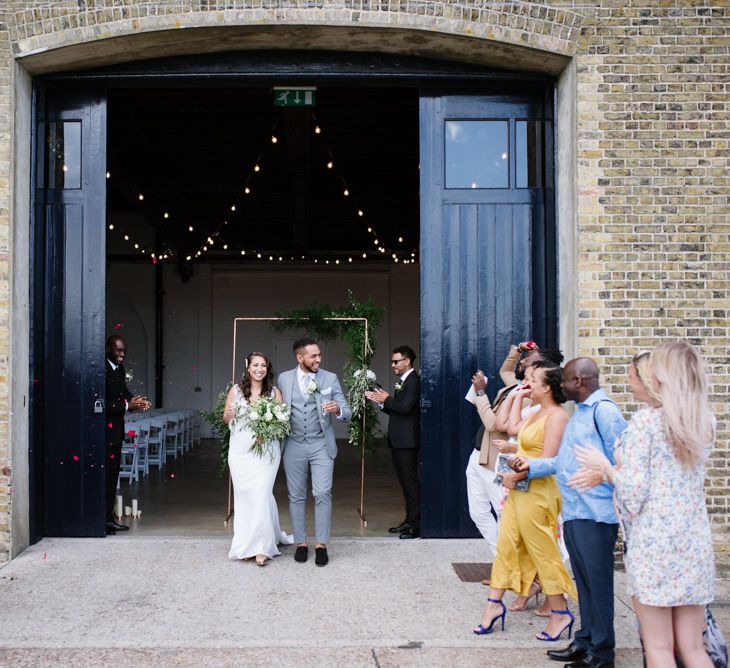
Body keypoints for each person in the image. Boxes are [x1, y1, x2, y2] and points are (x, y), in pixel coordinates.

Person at [575, 342, 716, 668]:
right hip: (694, 541)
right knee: (693, 648)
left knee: (659, 647)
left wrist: (605, 467)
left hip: (654, 545)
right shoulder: (705, 421)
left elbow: (634, 493)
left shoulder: (645, 424)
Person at [515, 357, 628, 667]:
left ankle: (602, 654)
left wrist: (605, 474)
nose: (560, 385)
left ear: (579, 381)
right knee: (584, 583)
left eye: (564, 380)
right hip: (575, 511)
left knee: (599, 584)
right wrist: (531, 465)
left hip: (596, 513)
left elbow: (626, 460)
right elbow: (562, 463)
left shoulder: (605, 412)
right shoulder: (579, 412)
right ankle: (585, 640)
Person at [474, 364, 577, 641]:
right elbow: (514, 428)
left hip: (539, 492)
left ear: (547, 388)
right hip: (518, 489)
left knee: (543, 552)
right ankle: (493, 606)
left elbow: (548, 460)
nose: (526, 381)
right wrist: (518, 395)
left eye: (532, 380)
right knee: (507, 547)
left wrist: (516, 474)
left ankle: (560, 612)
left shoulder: (557, 416)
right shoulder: (538, 412)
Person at [278, 338, 351, 567]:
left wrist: (337, 409)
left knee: (322, 493)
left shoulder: (329, 378)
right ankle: (300, 542)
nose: (318, 359)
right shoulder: (284, 378)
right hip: (293, 444)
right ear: (299, 357)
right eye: (313, 356)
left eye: (319, 355)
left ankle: (321, 544)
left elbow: (347, 410)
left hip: (321, 444)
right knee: (296, 495)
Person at [223, 352, 293, 566]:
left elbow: (282, 422)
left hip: (266, 451)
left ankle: (263, 547)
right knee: (244, 496)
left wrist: (268, 431)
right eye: (255, 365)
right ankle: (245, 543)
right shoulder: (235, 391)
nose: (259, 369)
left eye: (263, 365)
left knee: (261, 493)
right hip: (240, 450)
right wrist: (231, 413)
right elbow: (226, 418)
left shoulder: (274, 392)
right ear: (247, 367)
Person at [366, 345, 421, 539]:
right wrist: (381, 401)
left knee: (411, 483)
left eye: (395, 361)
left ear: (407, 361)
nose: (392, 365)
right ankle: (409, 521)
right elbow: (397, 409)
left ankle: (415, 526)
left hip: (407, 442)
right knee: (406, 484)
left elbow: (406, 408)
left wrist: (387, 398)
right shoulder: (404, 381)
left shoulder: (413, 381)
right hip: (400, 440)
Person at [104, 335, 150, 535]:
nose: (122, 354)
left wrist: (136, 401)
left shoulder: (120, 369)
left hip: (116, 434)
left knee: (112, 478)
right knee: (104, 478)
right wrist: (127, 405)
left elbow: (123, 392)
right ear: (108, 348)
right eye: (118, 350)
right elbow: (100, 403)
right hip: (103, 434)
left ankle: (108, 517)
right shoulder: (101, 369)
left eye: (124, 351)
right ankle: (102, 520)